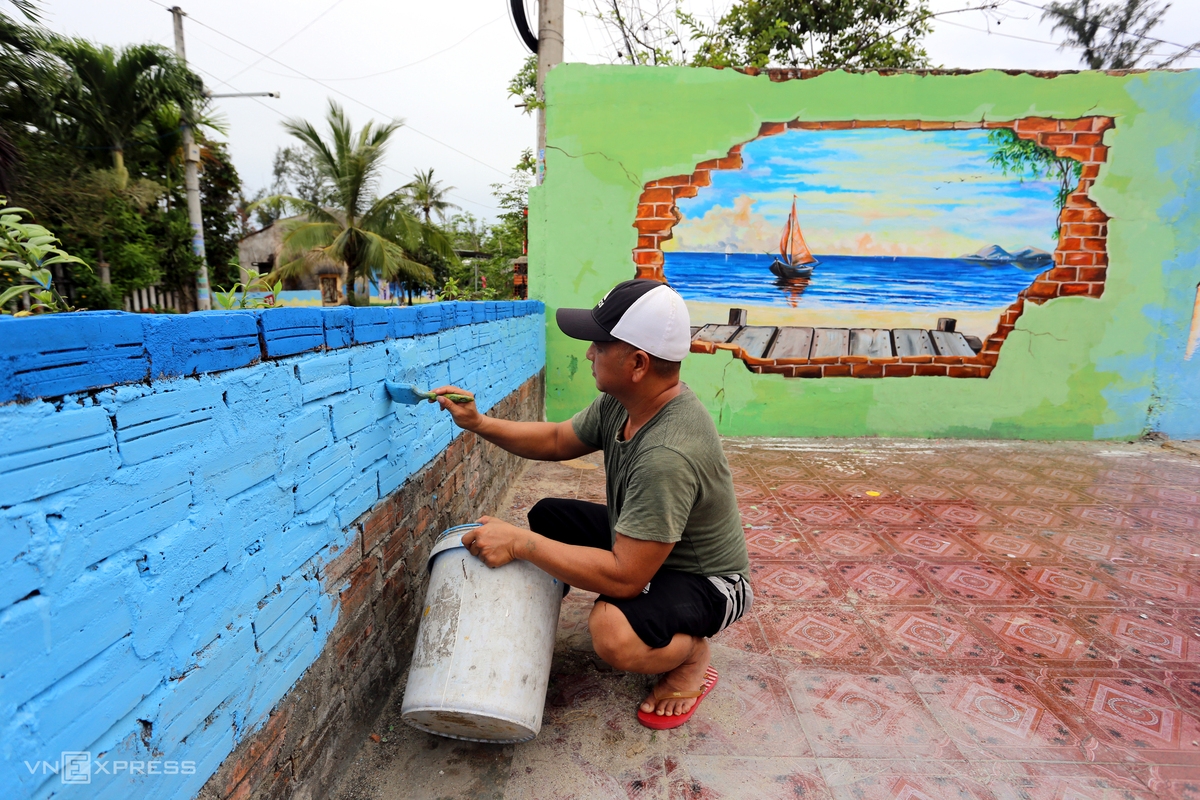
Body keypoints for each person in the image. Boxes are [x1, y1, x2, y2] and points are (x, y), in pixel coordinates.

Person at [432, 278, 751, 729]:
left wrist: (522, 545)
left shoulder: (668, 455)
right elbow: (560, 437)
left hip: (710, 579)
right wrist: (479, 422)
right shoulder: (624, 403)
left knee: (611, 631)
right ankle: (561, 612)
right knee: (548, 517)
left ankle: (692, 656)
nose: (588, 353)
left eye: (599, 345)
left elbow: (624, 576)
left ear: (638, 363)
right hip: (652, 549)